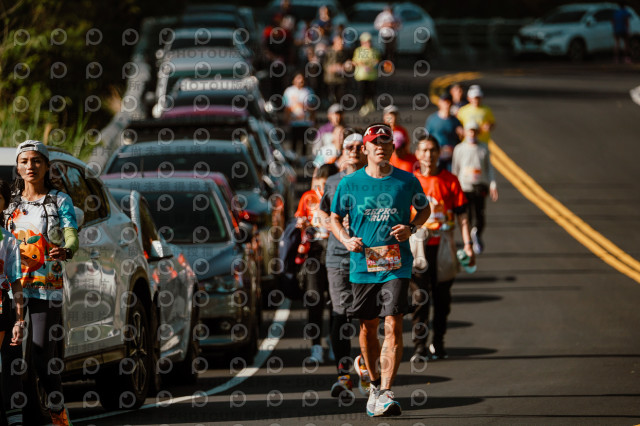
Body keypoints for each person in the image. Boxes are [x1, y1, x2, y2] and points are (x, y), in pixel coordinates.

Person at [330, 124, 430, 417]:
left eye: (387, 143)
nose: (381, 147)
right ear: (365, 149)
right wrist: (346, 239)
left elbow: (424, 209)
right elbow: (334, 217)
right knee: (368, 327)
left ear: (392, 148)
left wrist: (412, 227)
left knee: (393, 323)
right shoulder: (350, 183)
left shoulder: (406, 180)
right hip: (363, 265)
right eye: (376, 143)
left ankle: (385, 390)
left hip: (396, 263)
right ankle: (374, 386)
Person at [4, 141, 78, 426]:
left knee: (41, 359)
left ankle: (59, 417)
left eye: (36, 161)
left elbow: (71, 234)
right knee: (11, 358)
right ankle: (17, 420)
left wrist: (67, 249)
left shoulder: (60, 200)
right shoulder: (10, 202)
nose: (30, 166)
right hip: (10, 288)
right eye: (24, 161)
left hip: (46, 287)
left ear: (47, 165)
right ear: (18, 167)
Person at [412, 136, 474, 360]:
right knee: (420, 298)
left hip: (444, 245)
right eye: (424, 150)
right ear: (417, 154)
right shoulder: (411, 181)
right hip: (418, 246)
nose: (428, 155)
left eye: (432, 150)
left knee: (442, 299)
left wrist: (468, 245)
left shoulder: (450, 180)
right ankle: (419, 346)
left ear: (439, 153)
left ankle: (438, 343)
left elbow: (462, 215)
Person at [317, 132, 369, 402]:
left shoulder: (376, 180)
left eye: (359, 146)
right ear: (343, 150)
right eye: (350, 146)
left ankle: (366, 365)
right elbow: (323, 211)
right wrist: (334, 226)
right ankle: (343, 373)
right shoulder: (333, 181)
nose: (355, 150)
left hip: (369, 257)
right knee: (340, 313)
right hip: (338, 257)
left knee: (367, 315)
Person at [295, 163, 339, 363]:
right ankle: (316, 347)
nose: (323, 189)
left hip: (336, 252)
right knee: (314, 299)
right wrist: (302, 224)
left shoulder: (341, 197)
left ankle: (334, 342)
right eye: (320, 185)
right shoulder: (308, 197)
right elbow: (300, 219)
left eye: (327, 185)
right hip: (314, 253)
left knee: (335, 301)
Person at [451, 122, 498, 255]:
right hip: (464, 187)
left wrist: (493, 185)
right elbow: (455, 169)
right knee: (467, 216)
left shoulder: (483, 148)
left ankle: (476, 233)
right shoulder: (459, 149)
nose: (472, 134)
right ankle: (469, 241)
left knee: (480, 215)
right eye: (469, 131)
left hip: (479, 187)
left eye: (474, 131)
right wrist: (454, 188)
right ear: (465, 132)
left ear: (478, 133)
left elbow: (489, 168)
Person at [0, 180, 25, 426]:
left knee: (9, 367)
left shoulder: (8, 240)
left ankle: (14, 419)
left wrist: (19, 320)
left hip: (2, 309)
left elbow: (16, 283)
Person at [425, 93, 464, 172]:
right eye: (445, 102)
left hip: (451, 158)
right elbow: (427, 138)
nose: (447, 104)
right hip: (436, 157)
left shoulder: (455, 121)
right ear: (440, 103)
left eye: (449, 102)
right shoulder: (432, 119)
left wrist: (461, 134)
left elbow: (460, 140)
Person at [283, 73, 316, 156]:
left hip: (305, 121)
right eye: (298, 78)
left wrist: (312, 118)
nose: (300, 81)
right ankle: (293, 157)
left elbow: (312, 107)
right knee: (293, 141)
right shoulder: (289, 91)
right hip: (293, 122)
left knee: (304, 142)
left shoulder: (309, 91)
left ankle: (303, 158)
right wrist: (287, 118)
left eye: (302, 79)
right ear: (293, 80)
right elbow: (286, 107)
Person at [352, 32, 380, 116]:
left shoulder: (375, 50)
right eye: (365, 42)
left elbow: (377, 60)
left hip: (372, 76)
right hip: (361, 75)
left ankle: (370, 103)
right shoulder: (358, 50)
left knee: (371, 91)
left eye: (369, 41)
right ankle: (363, 106)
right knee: (362, 91)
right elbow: (355, 61)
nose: (368, 43)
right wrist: (364, 65)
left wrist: (373, 65)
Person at [385, 105, 417, 173]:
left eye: (394, 115)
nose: (392, 118)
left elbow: (406, 148)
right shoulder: (381, 131)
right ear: (384, 117)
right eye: (389, 115)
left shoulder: (401, 131)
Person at [323, 35, 349, 105]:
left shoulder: (344, 52)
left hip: (341, 79)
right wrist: (332, 68)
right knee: (332, 98)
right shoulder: (328, 52)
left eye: (342, 43)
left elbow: (348, 63)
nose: (341, 45)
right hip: (330, 79)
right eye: (339, 43)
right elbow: (324, 64)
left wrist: (345, 66)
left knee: (341, 97)